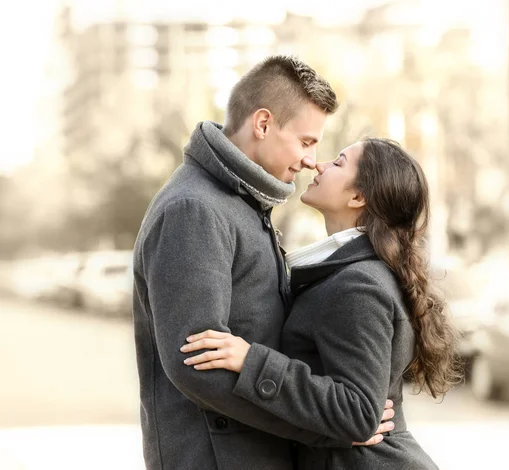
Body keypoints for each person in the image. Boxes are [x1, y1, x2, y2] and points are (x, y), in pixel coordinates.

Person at [132, 56, 392, 470]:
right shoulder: (194, 208)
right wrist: (331, 427)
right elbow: (196, 365)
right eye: (306, 142)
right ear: (264, 123)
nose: (311, 160)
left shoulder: (241, 203)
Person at [181, 138, 462, 469]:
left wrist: (251, 361)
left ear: (358, 197)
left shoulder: (357, 286)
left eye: (338, 163)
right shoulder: (349, 273)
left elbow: (359, 414)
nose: (318, 164)